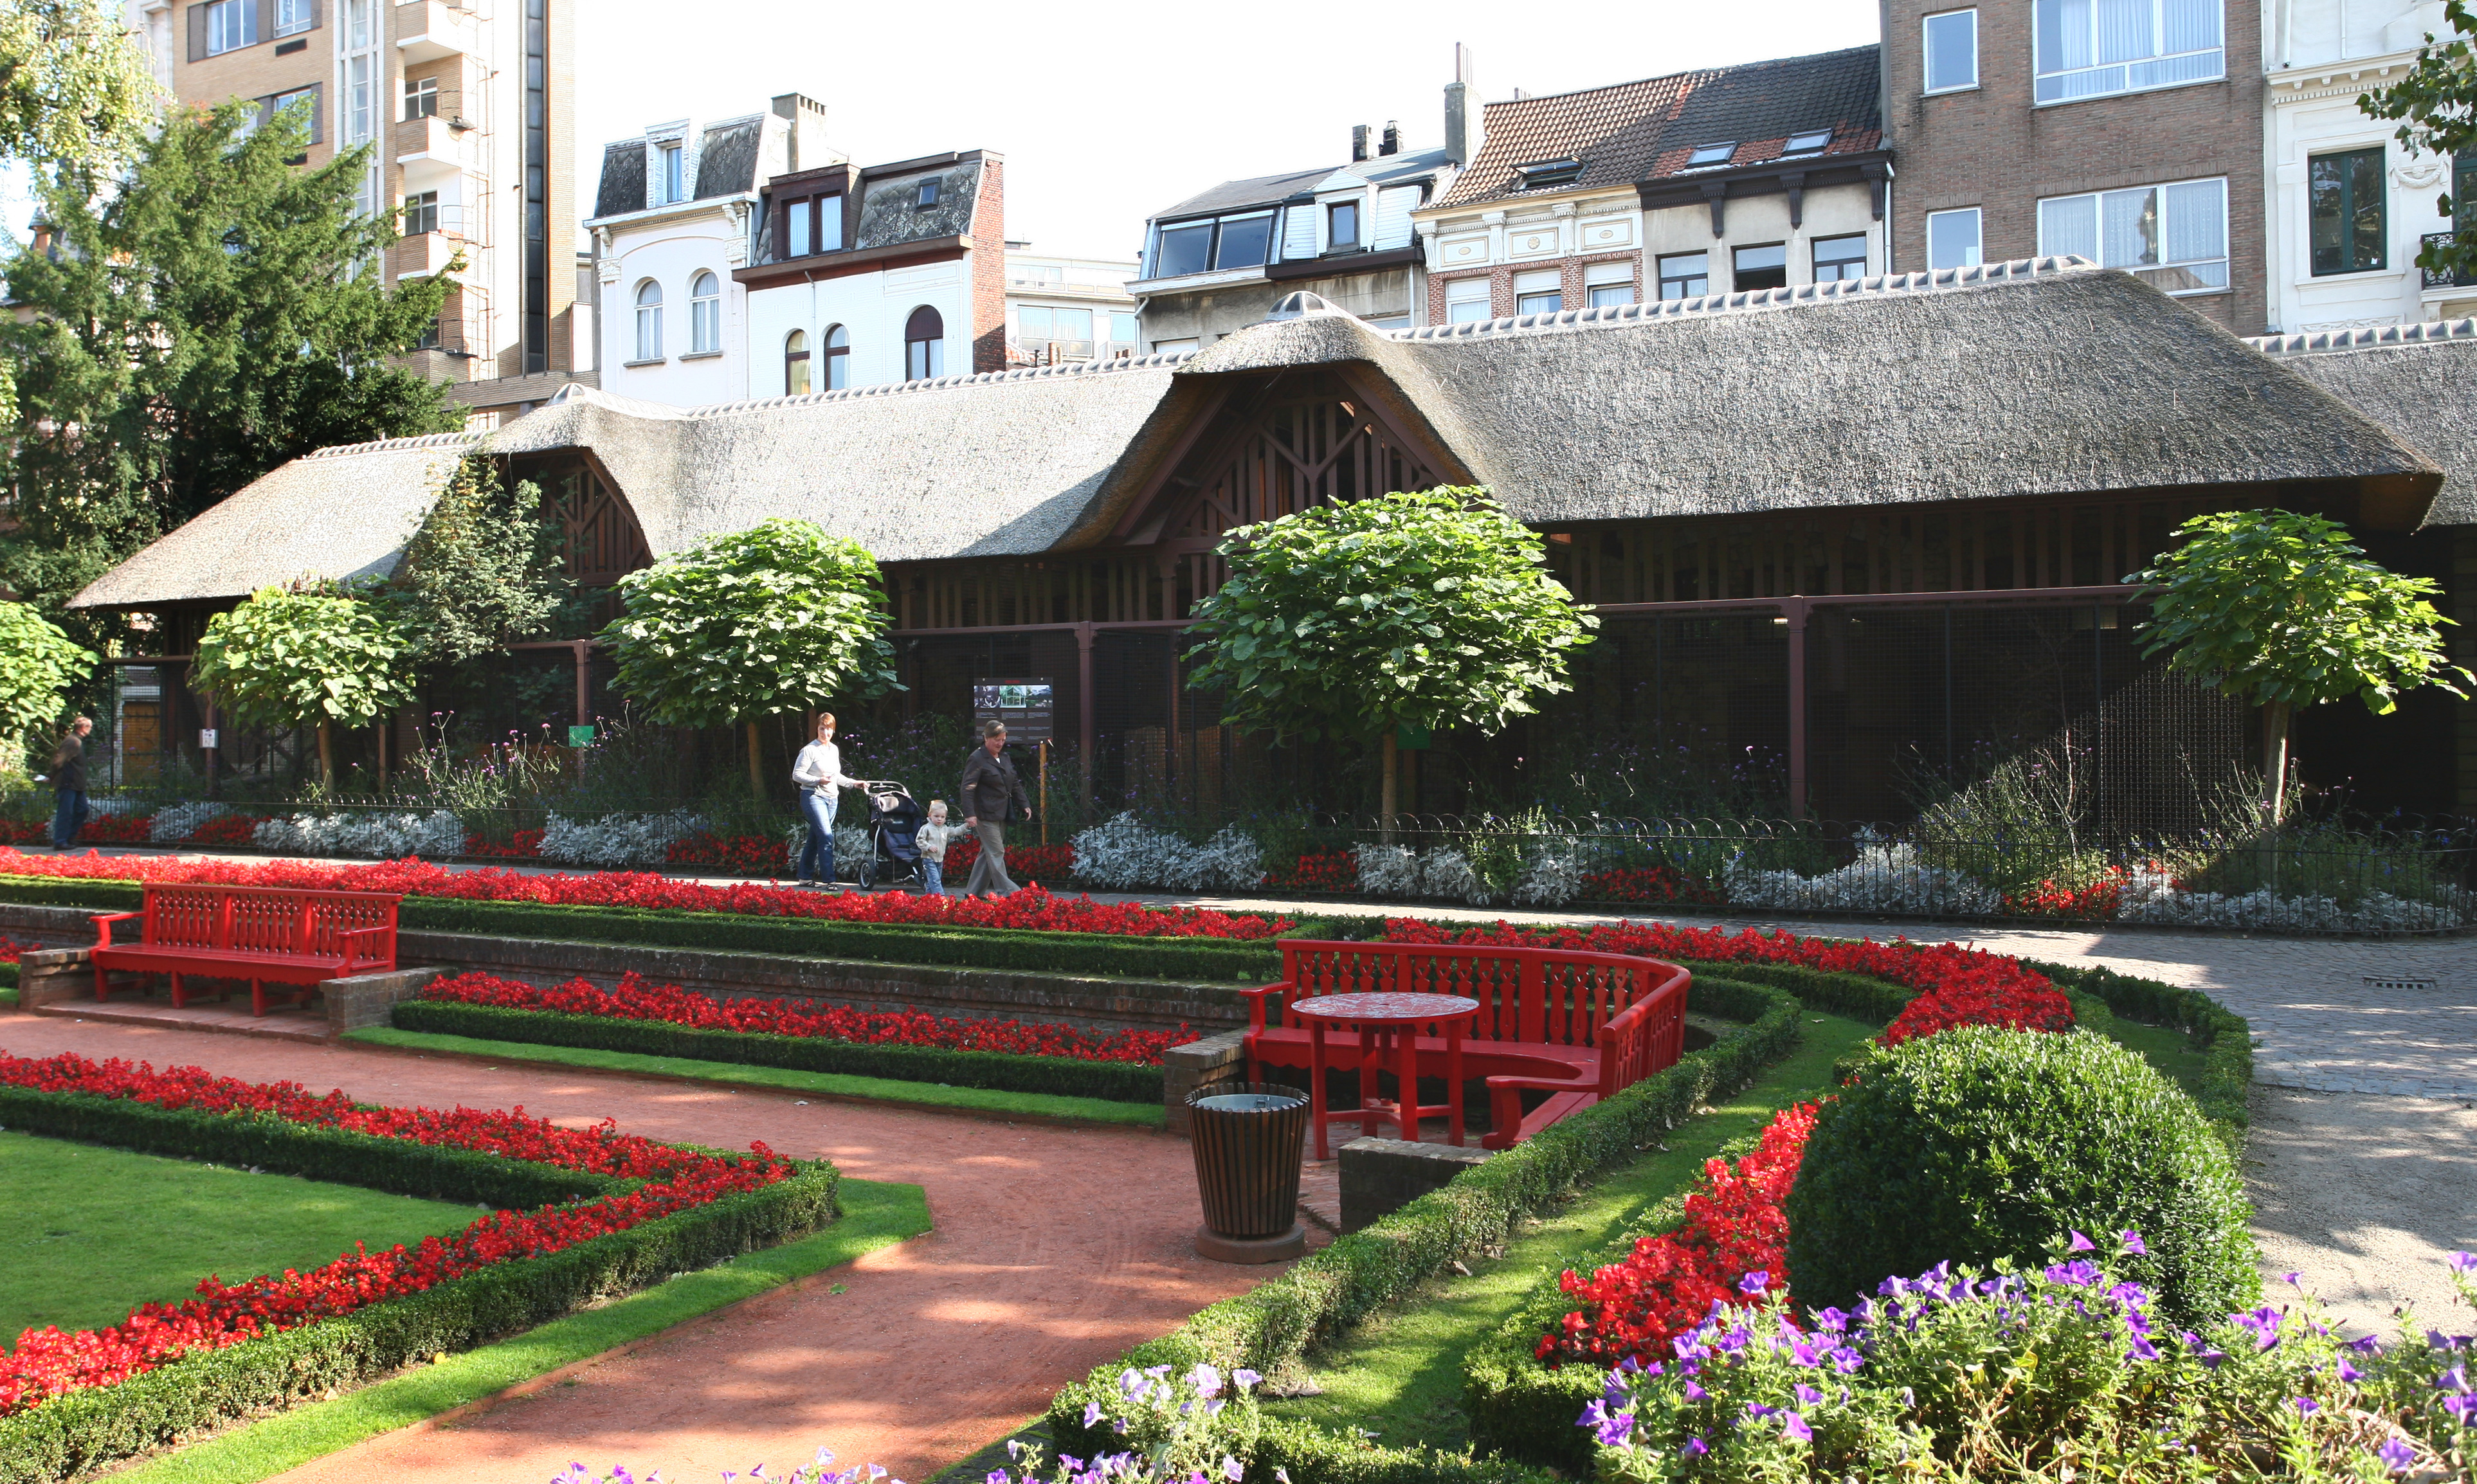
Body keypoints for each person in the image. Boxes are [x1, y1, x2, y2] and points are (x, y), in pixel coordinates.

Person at [959, 721, 1030, 897]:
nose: (1000, 743)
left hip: (1002, 812)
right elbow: (967, 788)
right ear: (986, 738)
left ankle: (973, 894)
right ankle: (1009, 893)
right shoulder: (977, 758)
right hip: (984, 814)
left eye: (1003, 740)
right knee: (997, 851)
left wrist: (1025, 804)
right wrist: (970, 814)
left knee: (988, 852)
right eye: (997, 739)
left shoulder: (1004, 757)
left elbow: (1014, 783)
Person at [790, 712, 860, 887]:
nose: (825, 733)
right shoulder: (809, 750)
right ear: (817, 729)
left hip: (832, 799)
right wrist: (817, 780)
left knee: (816, 837)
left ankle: (804, 877)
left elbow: (836, 776)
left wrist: (854, 783)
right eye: (822, 729)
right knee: (827, 837)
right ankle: (830, 880)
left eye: (829, 729)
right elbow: (797, 775)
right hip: (813, 796)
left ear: (833, 731)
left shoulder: (834, 749)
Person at [48, 717, 92, 851]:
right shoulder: (72, 742)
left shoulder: (76, 741)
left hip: (77, 783)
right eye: (89, 727)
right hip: (68, 782)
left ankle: (68, 837)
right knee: (65, 812)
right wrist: (51, 776)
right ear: (83, 728)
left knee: (83, 810)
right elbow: (59, 761)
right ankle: (61, 841)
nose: (90, 730)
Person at [916, 799, 954, 896]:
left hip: (940, 859)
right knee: (935, 879)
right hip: (929, 859)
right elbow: (919, 840)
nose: (939, 819)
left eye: (942, 817)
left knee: (932, 880)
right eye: (936, 816)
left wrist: (966, 826)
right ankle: (941, 897)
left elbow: (955, 831)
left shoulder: (945, 829)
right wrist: (928, 847)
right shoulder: (926, 828)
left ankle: (928, 898)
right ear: (930, 815)